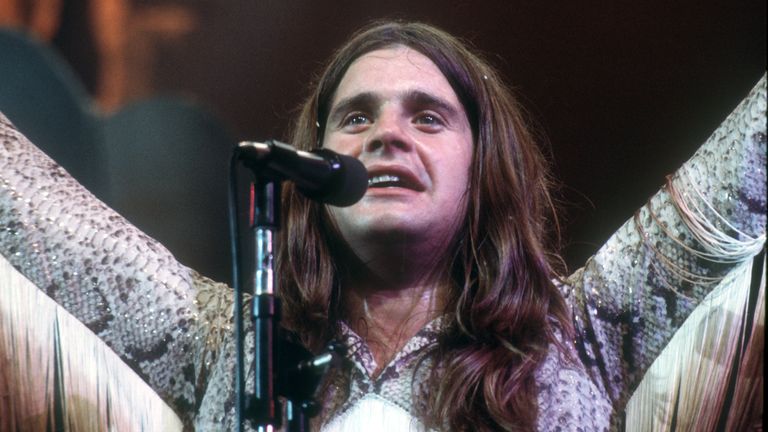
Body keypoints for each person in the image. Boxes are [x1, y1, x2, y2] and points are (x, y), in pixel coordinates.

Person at [0, 20, 765, 432]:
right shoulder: (229, 340)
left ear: (484, 168)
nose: (386, 135)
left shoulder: (581, 329)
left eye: (427, 117)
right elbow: (24, 204)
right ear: (313, 165)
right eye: (356, 117)